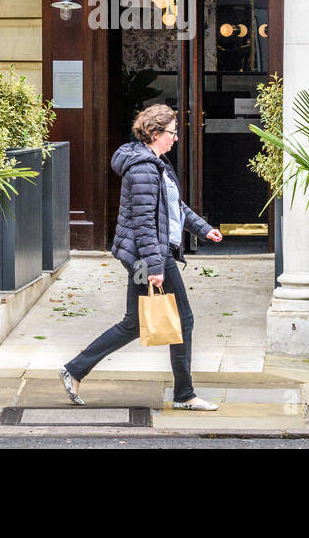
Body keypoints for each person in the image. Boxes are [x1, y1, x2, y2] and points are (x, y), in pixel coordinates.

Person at [59, 104, 223, 410]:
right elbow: (145, 221)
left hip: (146, 255)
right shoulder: (145, 168)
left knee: (134, 323)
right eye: (173, 132)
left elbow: (174, 207)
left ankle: (75, 369)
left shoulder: (158, 163)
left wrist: (203, 229)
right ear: (156, 133)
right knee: (182, 319)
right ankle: (185, 395)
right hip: (147, 256)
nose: (176, 138)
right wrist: (154, 266)